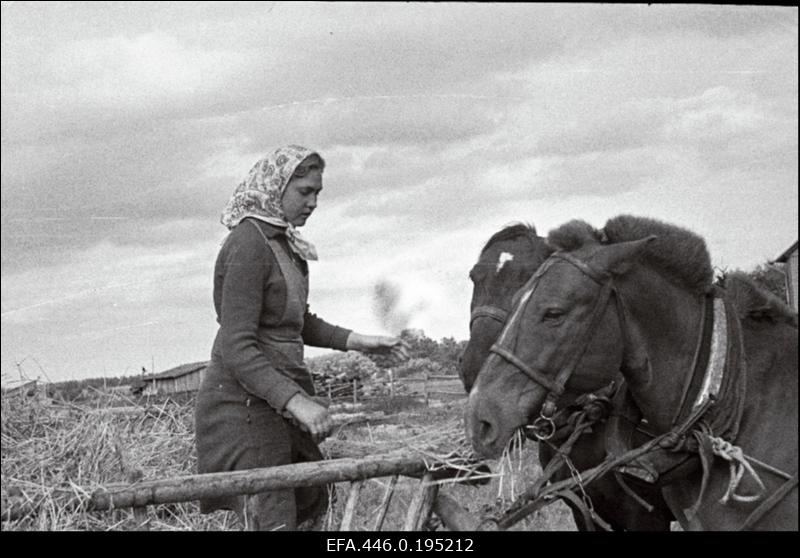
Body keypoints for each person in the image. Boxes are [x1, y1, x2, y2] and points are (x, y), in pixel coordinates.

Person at [195, 145, 409, 531]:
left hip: (278, 397)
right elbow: (237, 345)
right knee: (275, 515)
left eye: (318, 194)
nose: (312, 203)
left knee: (310, 500)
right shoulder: (248, 243)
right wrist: (298, 403)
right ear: (275, 188)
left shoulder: (284, 246)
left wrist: (362, 341)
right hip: (245, 404)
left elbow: (296, 321)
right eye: (304, 192)